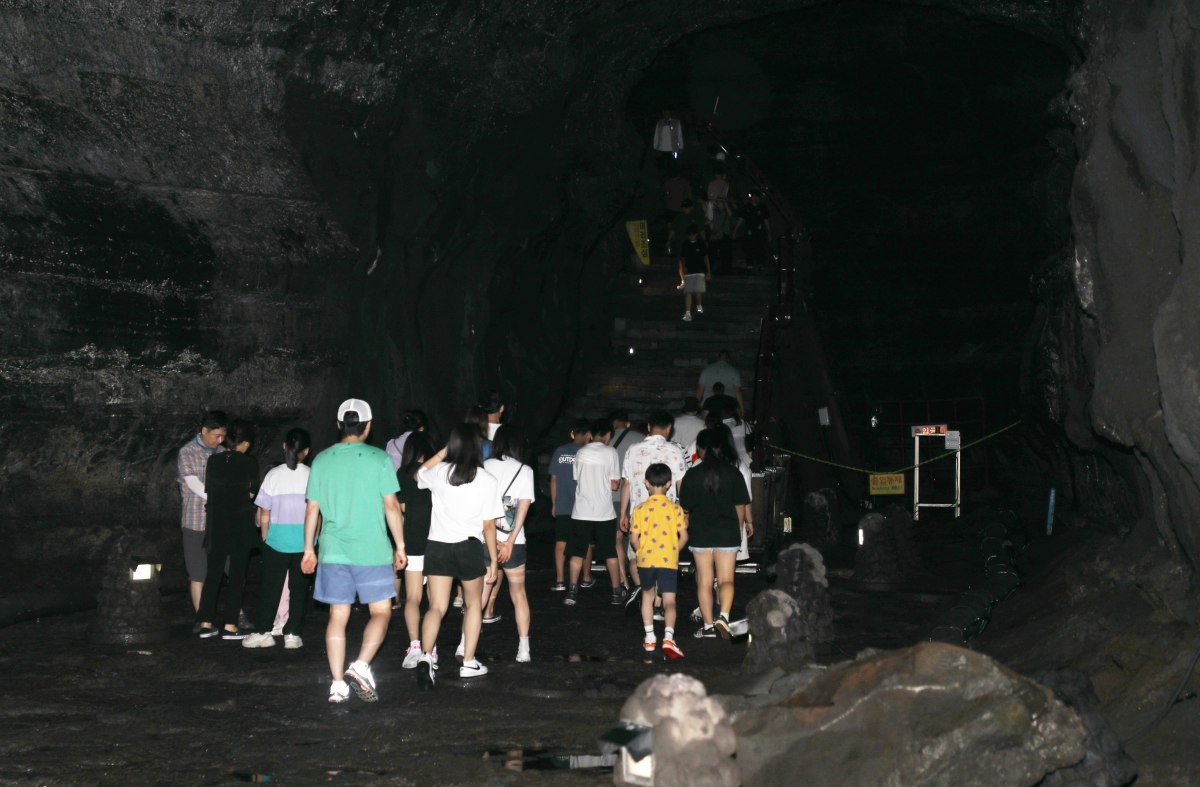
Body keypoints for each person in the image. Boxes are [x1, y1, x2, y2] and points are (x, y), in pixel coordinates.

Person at [301, 399, 407, 704]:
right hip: (372, 550)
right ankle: (360, 665)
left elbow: (312, 509)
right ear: (368, 426)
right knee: (381, 612)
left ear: (338, 425)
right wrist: (400, 546)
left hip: (333, 549)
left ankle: (337, 685)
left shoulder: (321, 460)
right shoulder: (379, 460)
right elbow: (391, 506)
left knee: (337, 615)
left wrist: (309, 549)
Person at [414, 423, 503, 689]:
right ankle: (468, 662)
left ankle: (426, 657)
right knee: (473, 604)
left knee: (436, 607)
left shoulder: (440, 472)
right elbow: (489, 525)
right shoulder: (487, 480)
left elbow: (419, 474)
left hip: (438, 546)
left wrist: (442, 453)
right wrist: (494, 561)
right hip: (469, 547)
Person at [680, 428, 752, 639]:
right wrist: (738, 531)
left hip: (701, 533)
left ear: (700, 449)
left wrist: (685, 528)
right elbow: (740, 506)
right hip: (727, 532)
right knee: (726, 580)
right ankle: (724, 616)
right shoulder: (733, 473)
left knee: (704, 581)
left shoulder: (692, 475)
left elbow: (685, 509)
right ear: (720, 448)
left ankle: (709, 626)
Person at [619, 410, 689, 611]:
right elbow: (681, 484)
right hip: (668, 514)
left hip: (640, 512)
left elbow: (626, 484)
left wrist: (623, 513)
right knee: (663, 557)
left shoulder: (633, 450)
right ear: (669, 429)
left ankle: (643, 590)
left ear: (649, 427)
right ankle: (656, 603)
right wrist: (684, 512)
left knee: (636, 556)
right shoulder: (675, 451)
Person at [195, 419, 259, 640]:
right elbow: (252, 493)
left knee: (213, 574)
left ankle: (205, 622)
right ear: (245, 442)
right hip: (239, 525)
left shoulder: (213, 461)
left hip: (216, 524)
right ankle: (230, 625)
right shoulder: (249, 463)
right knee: (237, 576)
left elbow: (209, 490)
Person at [482, 426, 535, 662]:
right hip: (515, 541)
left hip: (486, 539)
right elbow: (523, 509)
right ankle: (524, 648)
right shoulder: (525, 470)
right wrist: (511, 541)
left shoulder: (485, 466)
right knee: (519, 594)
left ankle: (464, 644)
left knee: (479, 596)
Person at [629, 463, 688, 659]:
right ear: (669, 484)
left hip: (646, 560)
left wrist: (641, 552)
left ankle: (649, 638)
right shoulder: (676, 509)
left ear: (646, 483)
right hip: (668, 561)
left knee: (648, 596)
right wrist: (673, 550)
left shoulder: (639, 509)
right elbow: (684, 537)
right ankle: (668, 637)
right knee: (669, 600)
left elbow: (634, 539)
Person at [566, 419, 624, 607]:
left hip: (581, 511)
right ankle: (616, 592)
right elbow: (614, 483)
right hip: (604, 512)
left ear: (591, 434)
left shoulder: (581, 452)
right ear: (608, 436)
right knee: (609, 552)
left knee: (577, 553)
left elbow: (577, 478)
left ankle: (572, 591)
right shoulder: (611, 452)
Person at [177, 410, 228, 614]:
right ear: (204, 430)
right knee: (198, 574)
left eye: (223, 435)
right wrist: (222, 495)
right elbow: (193, 484)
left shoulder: (223, 452)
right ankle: (203, 618)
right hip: (195, 523)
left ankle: (236, 613)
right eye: (217, 435)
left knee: (230, 568)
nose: (220, 439)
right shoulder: (187, 452)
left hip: (220, 523)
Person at [397, 431, 437, 670]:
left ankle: (414, 646)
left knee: (412, 598)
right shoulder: (437, 472)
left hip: (412, 539)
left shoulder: (402, 473)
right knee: (435, 601)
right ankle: (430, 650)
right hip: (437, 539)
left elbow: (401, 507)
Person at [548, 418, 592, 591]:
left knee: (561, 542)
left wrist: (554, 502)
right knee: (585, 542)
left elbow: (553, 479)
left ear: (572, 434)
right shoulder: (589, 453)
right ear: (588, 435)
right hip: (585, 506)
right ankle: (586, 578)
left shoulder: (560, 451)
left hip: (564, 504)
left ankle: (560, 580)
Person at [610, 410, 645, 598]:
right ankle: (642, 578)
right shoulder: (640, 439)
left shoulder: (603, 440)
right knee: (636, 539)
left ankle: (622, 578)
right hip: (637, 496)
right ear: (628, 423)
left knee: (617, 539)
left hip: (612, 496)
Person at [679, 223, 712, 322]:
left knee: (698, 291)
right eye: (690, 235)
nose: (691, 236)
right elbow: (682, 258)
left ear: (696, 234)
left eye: (693, 234)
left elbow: (706, 258)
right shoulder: (685, 244)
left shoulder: (701, 243)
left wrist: (708, 272)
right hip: (689, 271)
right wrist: (683, 271)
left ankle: (699, 305)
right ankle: (688, 312)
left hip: (700, 270)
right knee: (688, 292)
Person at [697, 350, 745, 414]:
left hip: (708, 406)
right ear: (728, 358)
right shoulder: (734, 372)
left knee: (708, 423)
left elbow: (700, 389)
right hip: (727, 408)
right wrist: (742, 409)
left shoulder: (706, 370)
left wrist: (695, 406)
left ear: (718, 358)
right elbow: (737, 391)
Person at [734, 190, 771, 269]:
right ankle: (749, 265)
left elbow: (766, 221)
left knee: (760, 249)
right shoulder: (747, 207)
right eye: (753, 196)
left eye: (756, 196)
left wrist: (769, 233)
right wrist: (735, 230)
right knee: (748, 248)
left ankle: (760, 264)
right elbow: (740, 219)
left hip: (760, 232)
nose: (755, 198)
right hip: (749, 232)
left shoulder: (763, 208)